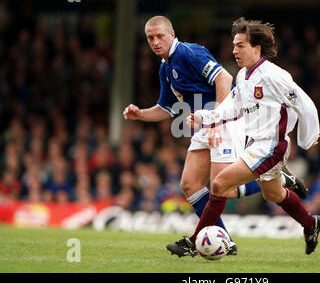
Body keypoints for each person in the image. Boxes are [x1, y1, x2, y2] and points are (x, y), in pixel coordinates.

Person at [123, 16, 307, 255]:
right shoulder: (165, 67)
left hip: (224, 123)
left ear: (172, 34)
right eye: (150, 38)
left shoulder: (189, 53)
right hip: (205, 124)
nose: (156, 42)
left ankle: (279, 179)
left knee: (224, 189)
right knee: (190, 185)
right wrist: (140, 114)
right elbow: (166, 108)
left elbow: (224, 78)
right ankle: (225, 242)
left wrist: (218, 120)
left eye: (160, 36)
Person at [167, 17, 320, 257]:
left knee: (219, 184)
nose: (234, 50)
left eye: (240, 45)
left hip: (271, 147)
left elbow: (304, 105)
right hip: (255, 145)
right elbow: (232, 108)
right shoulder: (243, 76)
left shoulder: (274, 75)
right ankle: (310, 224)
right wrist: (203, 118)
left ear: (256, 48)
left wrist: (308, 138)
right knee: (273, 194)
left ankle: (192, 242)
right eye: (234, 45)